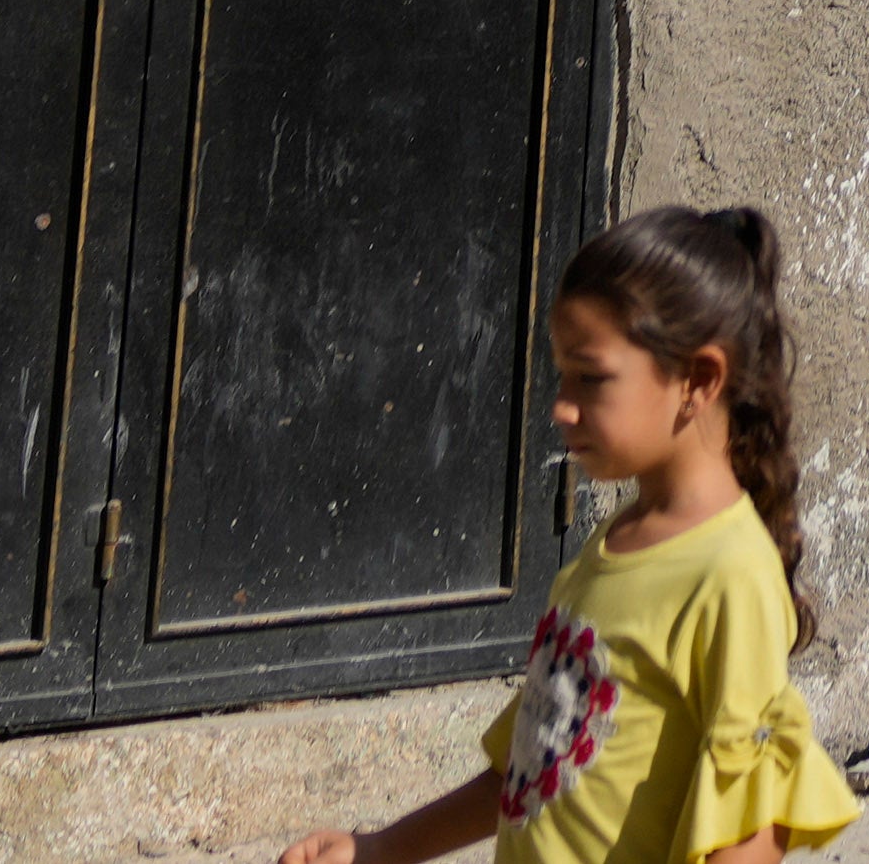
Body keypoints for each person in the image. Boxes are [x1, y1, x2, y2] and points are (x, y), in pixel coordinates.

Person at [280, 205, 837, 864]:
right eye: (561, 374)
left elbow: (754, 821)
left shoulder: (728, 572)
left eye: (591, 376)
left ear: (699, 378)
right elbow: (532, 769)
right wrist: (383, 846)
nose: (561, 404)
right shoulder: (615, 543)